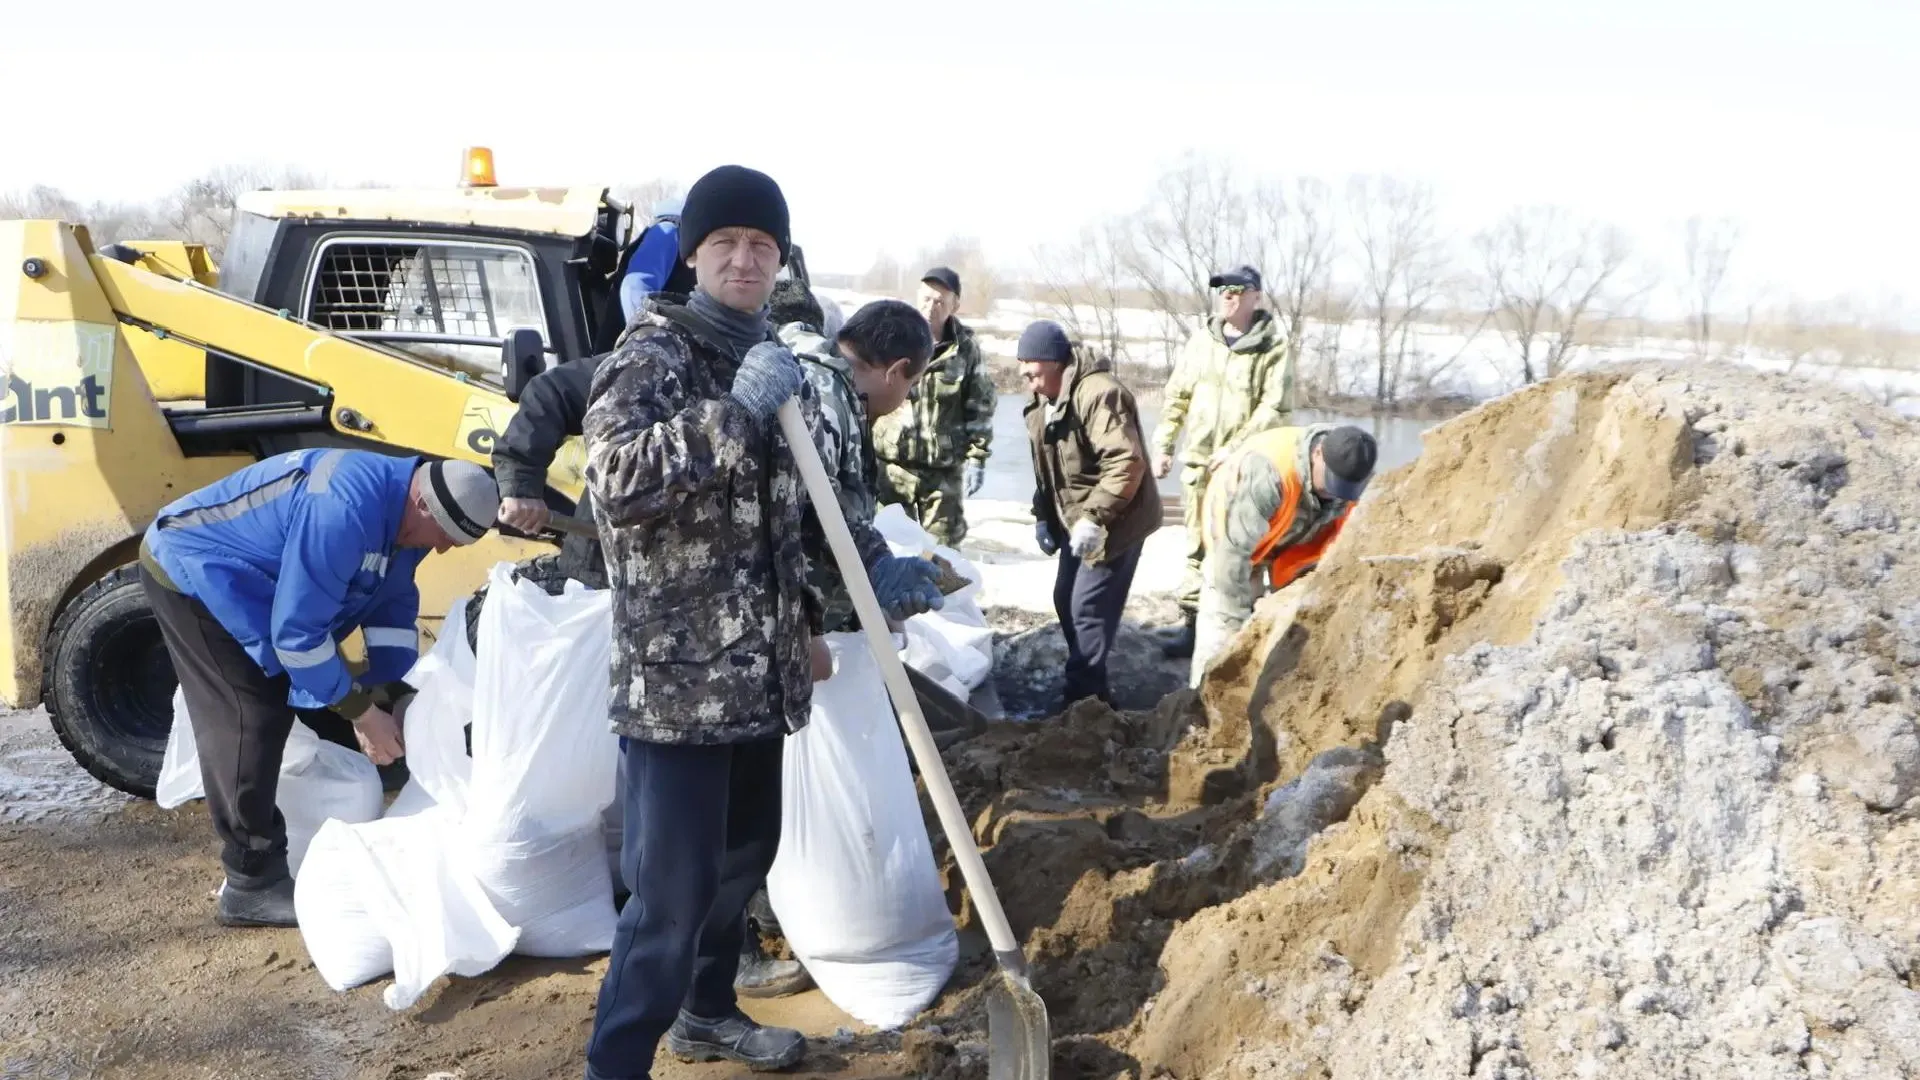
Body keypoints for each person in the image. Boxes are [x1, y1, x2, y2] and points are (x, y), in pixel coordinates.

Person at [580, 164, 944, 1080]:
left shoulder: (777, 362)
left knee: (739, 870)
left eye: (761, 246)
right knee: (665, 898)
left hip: (760, 674)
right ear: (696, 256)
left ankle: (705, 1016)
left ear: (779, 260)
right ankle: (613, 1065)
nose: (744, 259)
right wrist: (731, 413)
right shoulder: (654, 355)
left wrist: (808, 622)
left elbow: (786, 520)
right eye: (726, 244)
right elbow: (617, 487)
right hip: (678, 682)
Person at [138, 450, 500, 927]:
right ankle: (251, 881)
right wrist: (360, 711)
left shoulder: (408, 519)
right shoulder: (343, 509)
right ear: (424, 505)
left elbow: (389, 603)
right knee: (250, 715)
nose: (444, 551)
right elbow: (298, 637)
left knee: (314, 697)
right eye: (447, 540)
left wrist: (394, 692)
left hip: (259, 585)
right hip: (194, 571)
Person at [1151, 264, 1296, 660]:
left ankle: (1237, 632)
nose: (1228, 296)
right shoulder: (1202, 342)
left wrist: (1236, 448)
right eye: (1222, 290)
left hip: (1243, 468)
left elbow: (1276, 408)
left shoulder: (1274, 347)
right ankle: (1191, 626)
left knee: (1239, 550)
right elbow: (1177, 396)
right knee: (1196, 544)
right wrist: (1164, 445)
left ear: (1256, 297)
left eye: (1237, 290)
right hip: (1199, 463)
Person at [1019, 321, 1162, 708]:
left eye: (1032, 373)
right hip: (1078, 517)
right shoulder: (1042, 405)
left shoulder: (1099, 395)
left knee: (1087, 607)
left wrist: (1095, 517)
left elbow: (1125, 462)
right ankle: (1092, 689)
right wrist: (1042, 517)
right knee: (1065, 597)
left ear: (1053, 365)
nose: (1027, 382)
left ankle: (1084, 702)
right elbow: (1048, 471)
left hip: (1119, 518)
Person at [1190, 424, 1377, 686]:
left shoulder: (1351, 472)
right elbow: (1231, 557)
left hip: (1288, 541)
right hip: (1234, 542)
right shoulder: (1269, 472)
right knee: (1222, 635)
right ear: (1318, 454)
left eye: (1344, 490)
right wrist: (1234, 631)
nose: (1336, 495)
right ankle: (1199, 705)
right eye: (1331, 484)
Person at [870, 266, 997, 546]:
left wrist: (978, 457)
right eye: (926, 299)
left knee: (941, 557)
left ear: (955, 305)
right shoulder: (893, 338)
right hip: (891, 467)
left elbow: (981, 405)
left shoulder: (965, 349)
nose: (931, 307)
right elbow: (867, 391)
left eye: (940, 302)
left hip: (942, 473)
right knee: (887, 550)